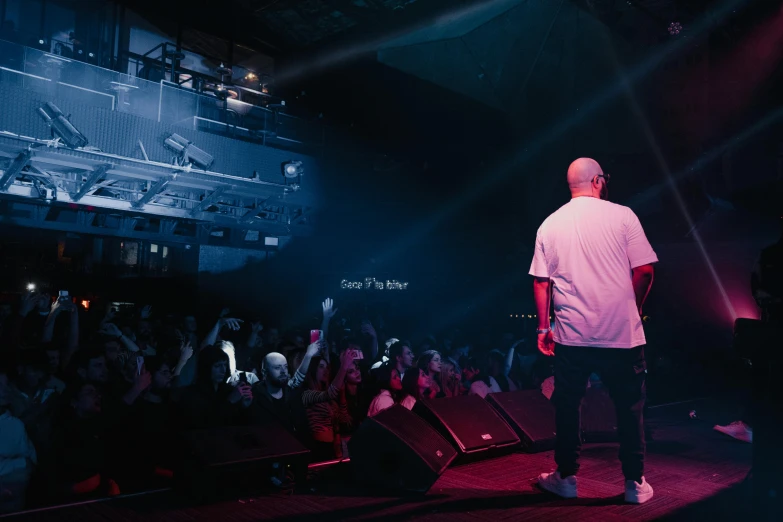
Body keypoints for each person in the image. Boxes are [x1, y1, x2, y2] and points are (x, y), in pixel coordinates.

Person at [529, 158, 657, 504]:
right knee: (630, 407)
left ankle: (566, 478)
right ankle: (634, 484)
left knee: (568, 406)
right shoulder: (623, 215)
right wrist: (635, 307)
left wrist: (544, 327)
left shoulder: (549, 224)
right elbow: (644, 271)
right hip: (622, 334)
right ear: (598, 181)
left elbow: (542, 283)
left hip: (573, 336)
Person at [714, 215, 783, 442]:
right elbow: (759, 287)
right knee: (765, 375)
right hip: (774, 324)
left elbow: (759, 288)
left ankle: (753, 425)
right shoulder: (770, 254)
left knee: (765, 375)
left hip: (774, 325)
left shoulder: (770, 254)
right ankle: (752, 425)